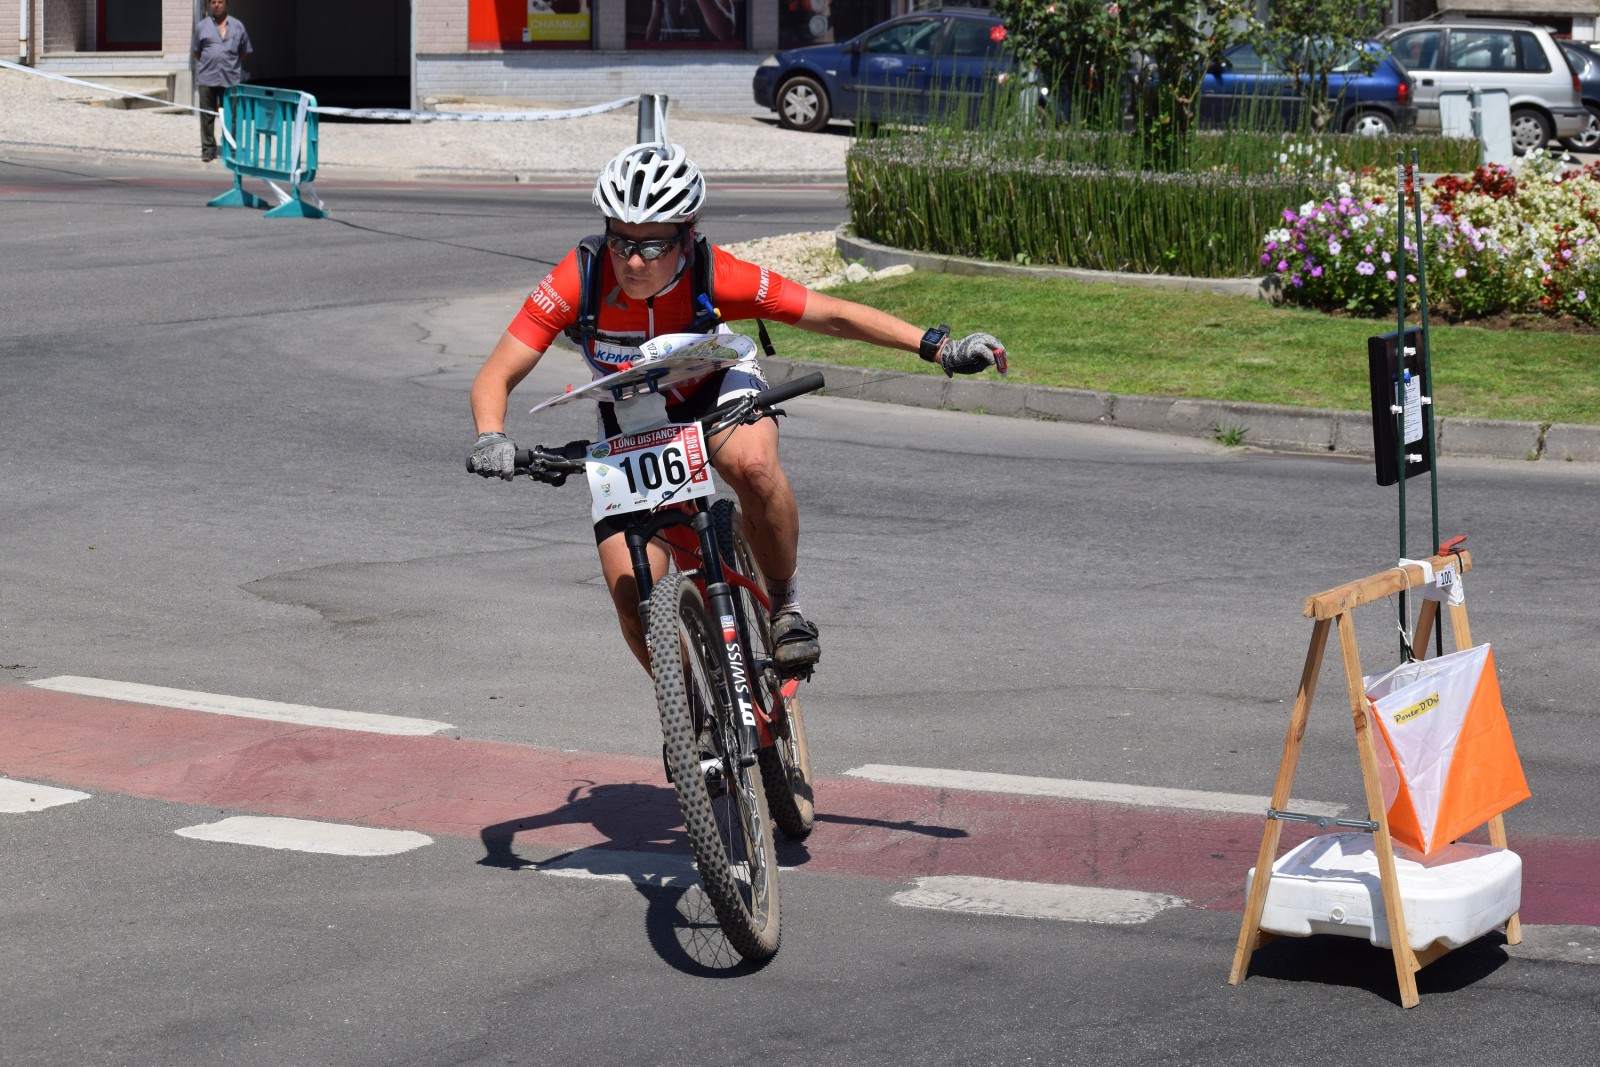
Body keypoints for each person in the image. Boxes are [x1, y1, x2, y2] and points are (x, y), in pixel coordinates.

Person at [467, 141, 1007, 679]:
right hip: (632, 416)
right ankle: (696, 714)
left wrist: (939, 347)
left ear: (687, 235)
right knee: (633, 598)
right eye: (620, 241)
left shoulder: (716, 274)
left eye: (652, 247)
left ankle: (786, 609)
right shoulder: (580, 278)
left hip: (715, 386)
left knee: (752, 465)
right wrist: (491, 434)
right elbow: (497, 372)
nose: (632, 261)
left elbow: (831, 314)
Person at [190, 0, 253, 163]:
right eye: (213, 2)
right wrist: (210, 61)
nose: (216, 5)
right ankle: (208, 150)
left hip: (230, 78)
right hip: (207, 77)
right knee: (207, 116)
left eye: (220, 2)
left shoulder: (238, 26)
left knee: (232, 116)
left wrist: (230, 63)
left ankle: (231, 148)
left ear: (226, 4)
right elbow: (196, 51)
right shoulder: (202, 26)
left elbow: (244, 51)